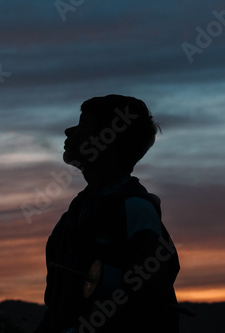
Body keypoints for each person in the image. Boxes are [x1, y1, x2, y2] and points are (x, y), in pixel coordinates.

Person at [34, 95, 180, 333]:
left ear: (108, 140)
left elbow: (151, 302)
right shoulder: (70, 219)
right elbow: (57, 307)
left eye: (82, 124)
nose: (68, 130)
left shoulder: (136, 211)